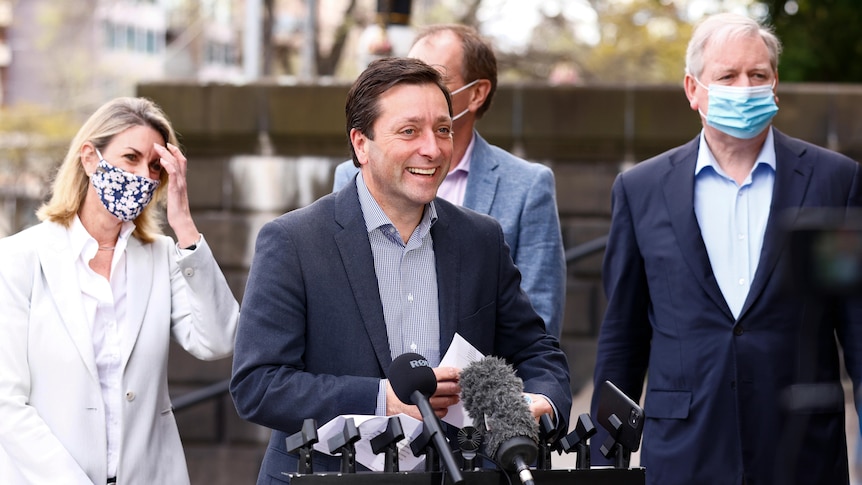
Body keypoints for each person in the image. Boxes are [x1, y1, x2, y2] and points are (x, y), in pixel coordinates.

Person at [231, 57, 572, 483]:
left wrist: (543, 400)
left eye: (443, 130)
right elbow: (258, 386)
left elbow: (537, 351)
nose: (432, 148)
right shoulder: (293, 241)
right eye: (409, 131)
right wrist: (383, 399)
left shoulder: (480, 239)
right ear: (361, 144)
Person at [591, 12, 862, 485]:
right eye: (728, 76)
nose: (745, 87)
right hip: (683, 452)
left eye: (758, 75)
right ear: (693, 89)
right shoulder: (642, 189)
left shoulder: (833, 181)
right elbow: (623, 338)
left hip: (802, 452)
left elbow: (858, 331)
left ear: (775, 86)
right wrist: (603, 460)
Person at [0, 97, 239, 484]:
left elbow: (217, 340)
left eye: (155, 166)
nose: (143, 175)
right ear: (91, 158)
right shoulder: (19, 259)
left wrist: (184, 227)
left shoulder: (162, 257)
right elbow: (5, 404)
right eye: (130, 157)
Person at [334, 24, 567, 339]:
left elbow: (539, 324)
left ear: (477, 93)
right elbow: (340, 302)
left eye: (434, 76)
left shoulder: (527, 186)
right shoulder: (352, 174)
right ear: (360, 144)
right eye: (412, 74)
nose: (421, 87)